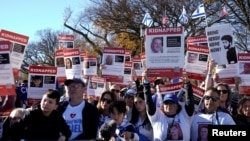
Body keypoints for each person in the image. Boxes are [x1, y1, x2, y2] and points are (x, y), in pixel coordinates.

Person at [8, 89, 72, 140]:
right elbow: (15, 129)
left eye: (50, 102)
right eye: (44, 100)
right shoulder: (32, 114)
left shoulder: (57, 116)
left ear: (56, 106)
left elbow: (67, 131)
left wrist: (64, 136)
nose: (46, 103)